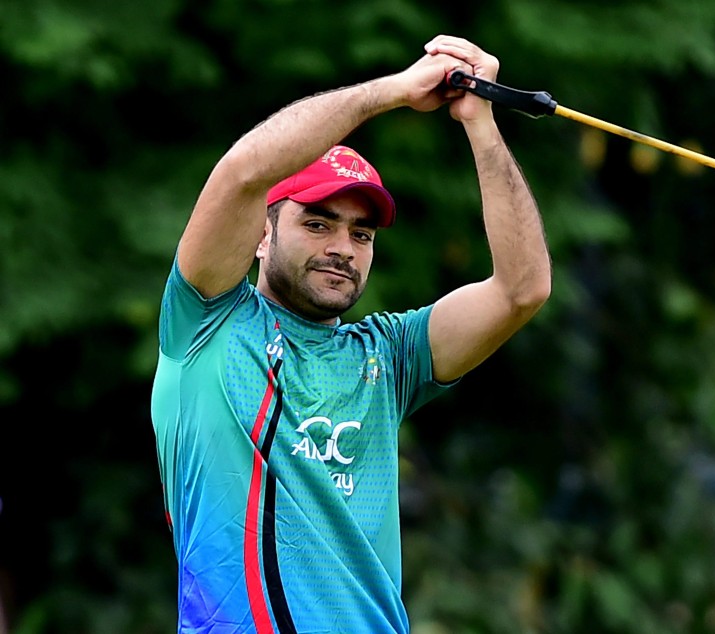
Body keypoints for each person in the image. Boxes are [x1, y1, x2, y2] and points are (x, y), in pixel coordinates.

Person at [149, 34, 551, 633]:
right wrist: (394, 91)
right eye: (318, 223)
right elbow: (244, 172)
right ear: (262, 235)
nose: (343, 248)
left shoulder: (389, 357)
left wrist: (480, 122)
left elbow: (522, 289)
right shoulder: (207, 321)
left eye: (361, 234)